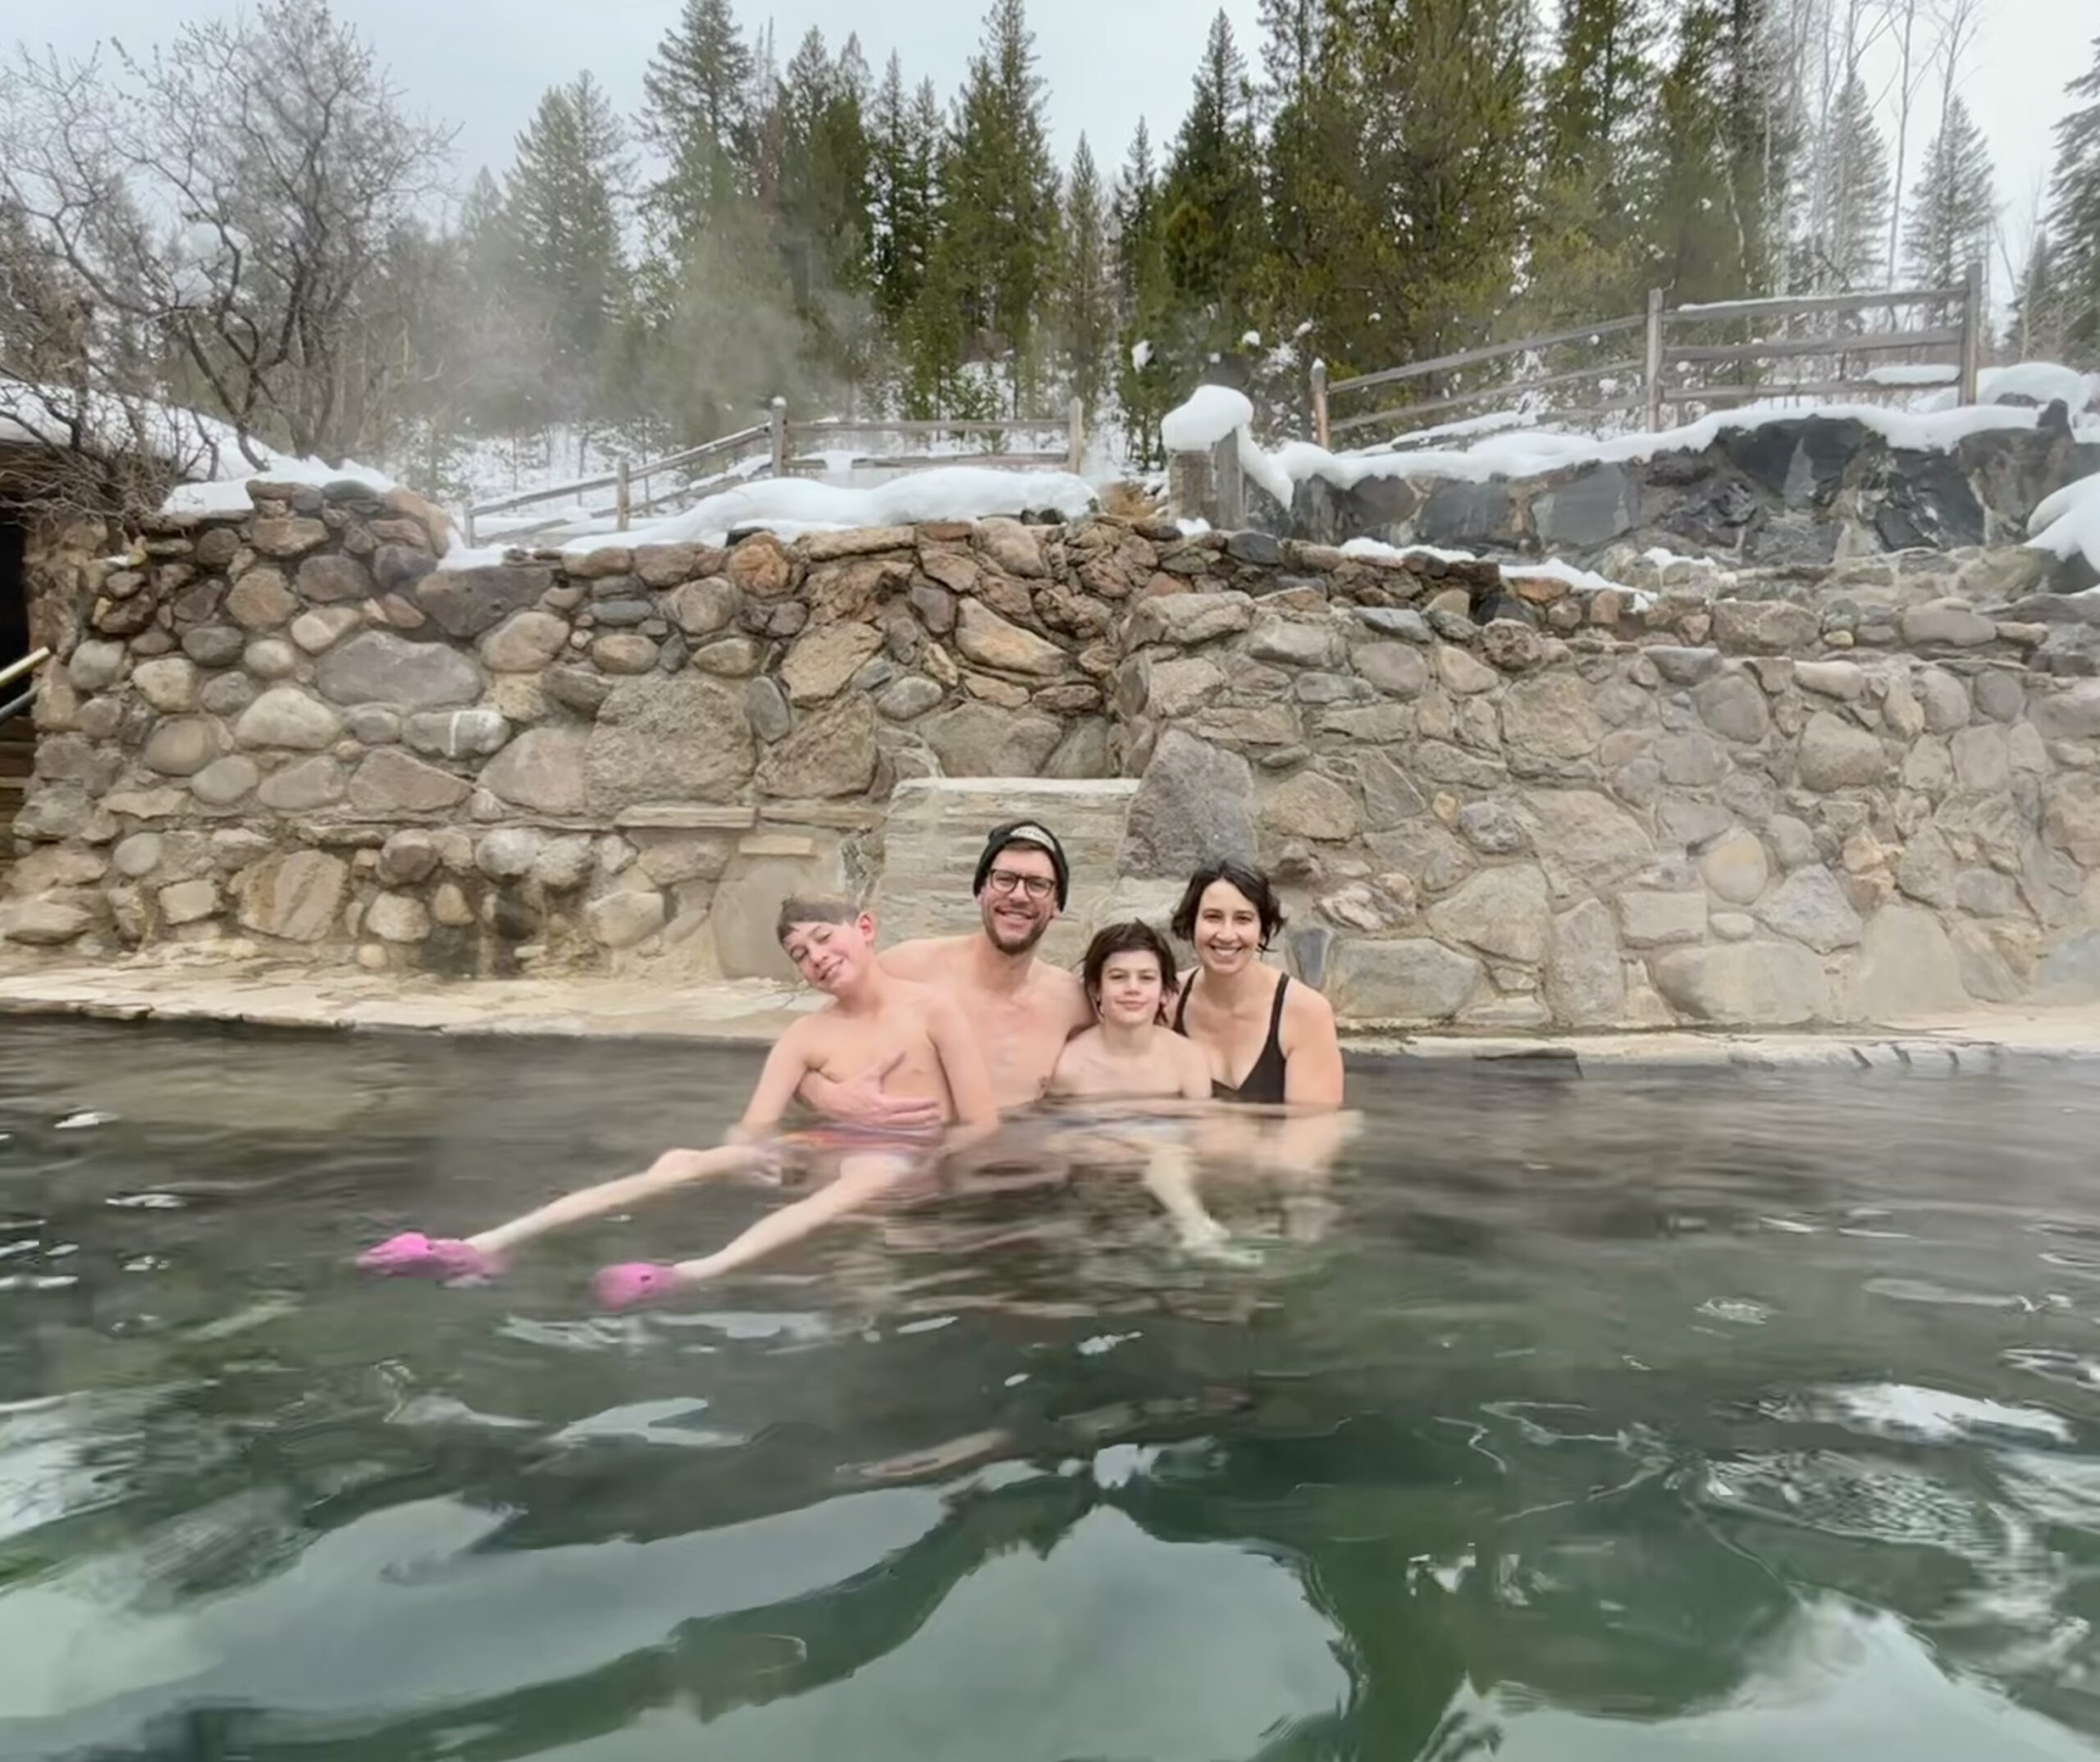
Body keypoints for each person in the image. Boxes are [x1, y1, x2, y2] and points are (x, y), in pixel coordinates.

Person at [358, 895, 997, 1305]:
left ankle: (694, 1271)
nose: (819, 958)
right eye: (801, 955)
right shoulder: (805, 1037)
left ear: (865, 927)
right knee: (681, 1161)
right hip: (827, 1145)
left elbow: (981, 1121)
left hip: (899, 1162)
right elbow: (752, 1129)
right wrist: (755, 1150)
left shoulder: (931, 1009)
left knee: (863, 1176)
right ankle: (488, 1240)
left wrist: (931, 1160)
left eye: (825, 939)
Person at [806, 821, 1093, 1122]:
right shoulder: (910, 968)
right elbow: (798, 1052)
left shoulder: (1069, 1000)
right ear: (981, 891)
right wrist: (831, 1098)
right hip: (909, 1154)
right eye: (1004, 879)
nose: (1019, 895)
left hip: (1015, 1157)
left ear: (1057, 904)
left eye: (1037, 884)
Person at [1045, 920, 1253, 1264]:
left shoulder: (1186, 1057)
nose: (1132, 988)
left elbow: (1200, 1132)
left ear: (1165, 992)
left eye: (1146, 978)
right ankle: (1196, 1228)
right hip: (1102, 1180)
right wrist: (1131, 1146)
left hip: (1170, 1168)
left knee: (1176, 1154)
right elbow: (1056, 1140)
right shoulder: (1072, 1066)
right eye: (1118, 977)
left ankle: (1194, 1228)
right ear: (1096, 989)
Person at [1171, 860, 1344, 1109]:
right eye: (1213, 917)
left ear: (1263, 930)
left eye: (1243, 919)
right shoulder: (1165, 1000)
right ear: (1192, 924)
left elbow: (1313, 1131)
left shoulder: (1305, 1013)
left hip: (1277, 1147)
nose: (1227, 934)